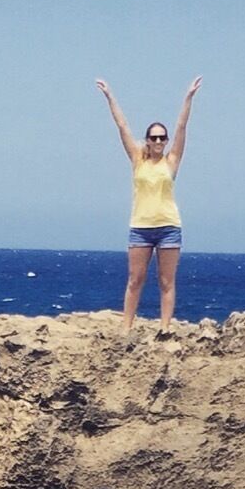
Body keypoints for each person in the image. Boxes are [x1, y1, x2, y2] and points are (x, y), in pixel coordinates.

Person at [97, 76, 201, 325]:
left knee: (166, 282)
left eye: (162, 138)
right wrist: (110, 96)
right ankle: (126, 327)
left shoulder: (171, 161)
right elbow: (122, 126)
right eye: (153, 137)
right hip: (141, 227)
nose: (158, 141)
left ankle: (165, 327)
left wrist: (188, 97)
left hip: (168, 227)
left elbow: (182, 127)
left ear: (166, 140)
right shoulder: (137, 159)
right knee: (135, 280)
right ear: (147, 140)